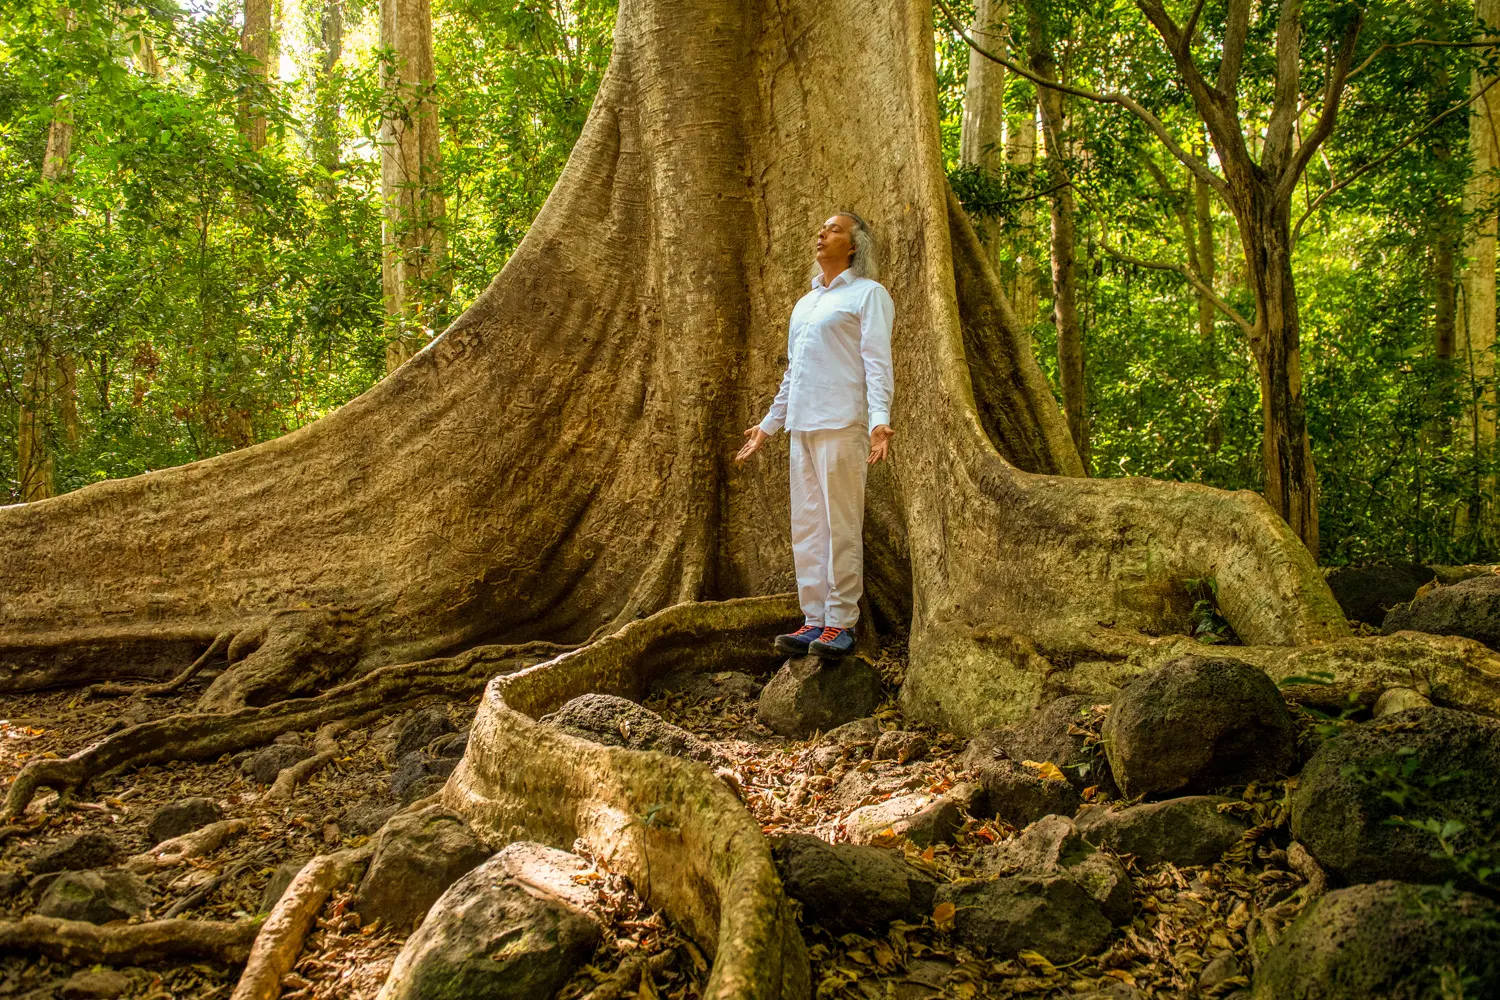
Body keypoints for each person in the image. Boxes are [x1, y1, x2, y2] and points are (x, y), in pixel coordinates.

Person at [735, 212, 895, 658]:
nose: (822, 234)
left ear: (855, 246)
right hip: (801, 426)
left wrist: (879, 418)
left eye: (834, 230)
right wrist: (768, 425)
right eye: (822, 229)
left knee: (841, 526)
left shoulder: (868, 295)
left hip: (843, 424)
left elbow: (877, 362)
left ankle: (841, 623)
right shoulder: (805, 304)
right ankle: (814, 620)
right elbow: (795, 372)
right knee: (807, 528)